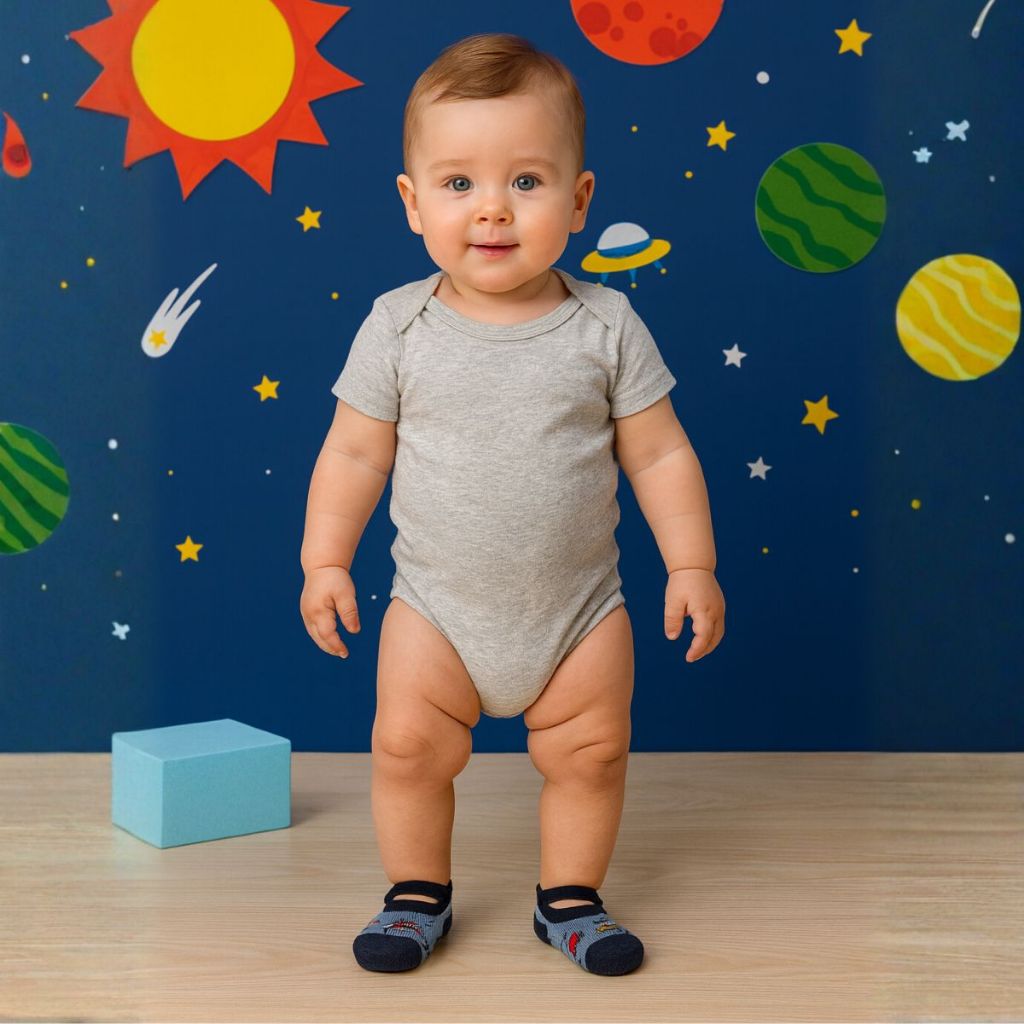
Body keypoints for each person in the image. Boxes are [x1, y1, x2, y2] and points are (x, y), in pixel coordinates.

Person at [299, 32, 726, 975]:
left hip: (578, 612)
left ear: (578, 200)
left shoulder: (607, 325)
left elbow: (660, 453)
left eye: (526, 181)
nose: (492, 208)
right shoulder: (398, 325)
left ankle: (569, 899)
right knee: (405, 748)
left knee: (593, 754)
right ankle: (416, 894)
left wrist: (691, 563)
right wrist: (324, 559)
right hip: (436, 609)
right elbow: (354, 452)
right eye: (459, 183)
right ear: (413, 203)